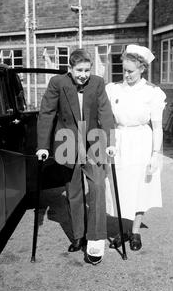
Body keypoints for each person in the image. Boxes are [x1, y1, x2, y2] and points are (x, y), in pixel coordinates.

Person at [36, 48, 115, 265]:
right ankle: (79, 235)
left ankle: (96, 240)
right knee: (74, 192)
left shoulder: (98, 83)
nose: (83, 74)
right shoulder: (57, 83)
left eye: (87, 70)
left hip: (93, 139)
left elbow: (105, 113)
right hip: (67, 140)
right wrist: (42, 146)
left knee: (98, 186)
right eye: (79, 70)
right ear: (70, 69)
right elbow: (47, 114)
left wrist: (110, 142)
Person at [105, 44, 166, 251]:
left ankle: (136, 231)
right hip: (120, 140)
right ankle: (123, 230)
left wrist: (155, 154)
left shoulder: (153, 92)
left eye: (130, 71)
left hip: (142, 141)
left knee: (141, 187)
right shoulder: (113, 89)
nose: (126, 74)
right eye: (124, 69)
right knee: (120, 187)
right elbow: (107, 119)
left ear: (142, 68)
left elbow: (157, 127)